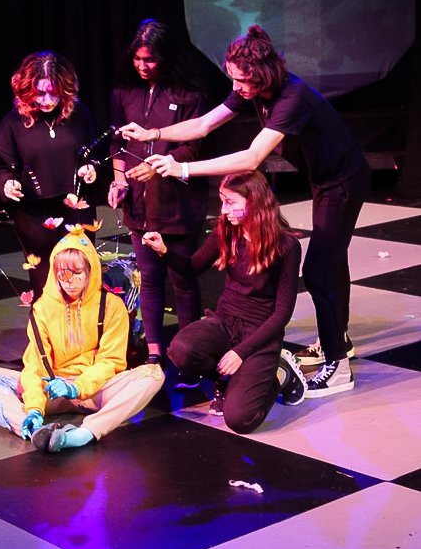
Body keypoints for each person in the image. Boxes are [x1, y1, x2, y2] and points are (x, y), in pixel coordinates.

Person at [121, 24, 370, 398]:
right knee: (330, 262)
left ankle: (338, 365)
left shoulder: (293, 97)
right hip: (323, 180)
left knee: (320, 269)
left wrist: (183, 168)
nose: (236, 87)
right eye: (232, 78)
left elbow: (253, 157)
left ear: (262, 74)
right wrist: (153, 134)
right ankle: (340, 339)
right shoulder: (251, 89)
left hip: (344, 181)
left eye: (241, 80)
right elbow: (204, 124)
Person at [0, 226, 164, 452]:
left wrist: (76, 387)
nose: (68, 280)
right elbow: (35, 366)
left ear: (90, 271)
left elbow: (110, 361)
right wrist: (34, 408)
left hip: (96, 390)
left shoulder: (111, 306)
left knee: (153, 374)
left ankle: (86, 432)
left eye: (76, 272)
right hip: (51, 390)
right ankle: (32, 428)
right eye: (62, 272)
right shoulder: (42, 308)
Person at [143, 171, 307, 433]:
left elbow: (282, 313)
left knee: (240, 419)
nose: (223, 210)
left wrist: (241, 352)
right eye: (222, 201)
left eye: (230, 202)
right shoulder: (227, 230)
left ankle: (280, 375)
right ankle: (226, 379)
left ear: (254, 201)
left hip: (259, 332)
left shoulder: (286, 245)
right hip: (225, 321)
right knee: (181, 349)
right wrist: (164, 251)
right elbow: (191, 267)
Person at [108, 18, 210, 372]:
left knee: (183, 281)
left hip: (178, 205)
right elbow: (118, 144)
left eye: (149, 59)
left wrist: (159, 167)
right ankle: (154, 353)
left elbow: (193, 147)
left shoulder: (189, 95)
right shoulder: (124, 93)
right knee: (149, 280)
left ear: (165, 56)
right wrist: (118, 181)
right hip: (139, 204)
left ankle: (189, 353)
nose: (142, 66)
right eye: (137, 59)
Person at [0, 51, 102, 299]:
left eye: (54, 93)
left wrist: (91, 167)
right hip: (34, 215)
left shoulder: (79, 114)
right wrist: (7, 183)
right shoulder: (14, 121)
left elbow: (95, 152)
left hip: (76, 208)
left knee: (80, 279)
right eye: (40, 93)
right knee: (44, 285)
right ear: (27, 90)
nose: (48, 100)